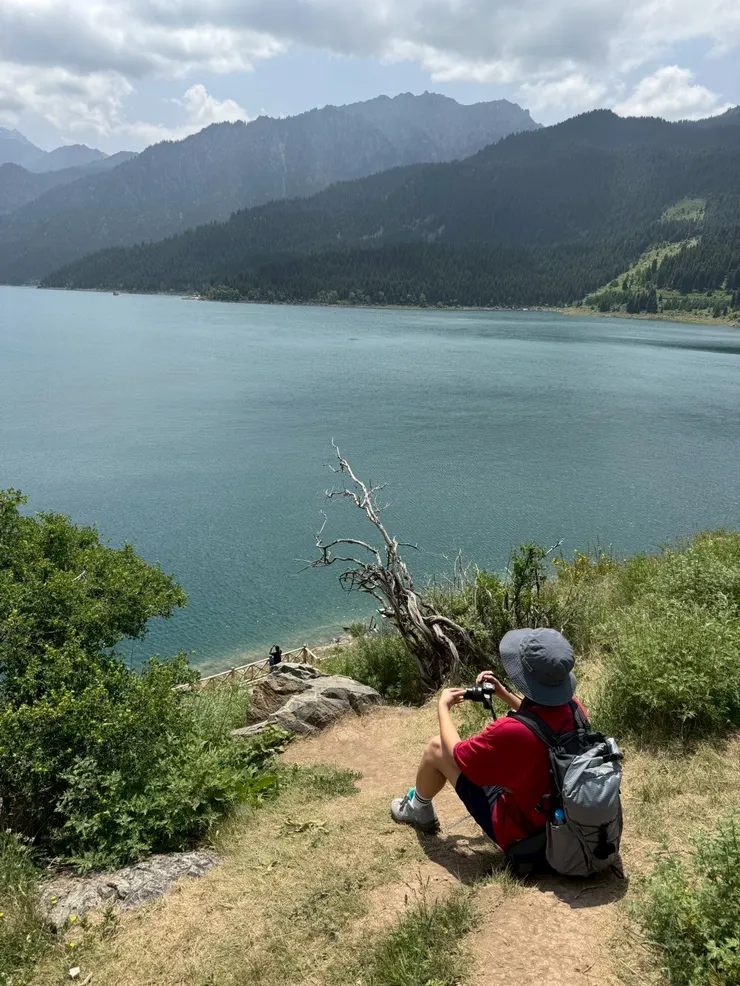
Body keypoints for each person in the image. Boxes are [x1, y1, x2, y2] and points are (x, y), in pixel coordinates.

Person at [390, 628, 586, 855]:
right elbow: (542, 723)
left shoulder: (510, 730)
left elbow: (457, 755)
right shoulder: (576, 709)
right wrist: (503, 693)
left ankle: (417, 809)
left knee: (436, 747)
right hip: (566, 822)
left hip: (526, 837)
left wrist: (443, 707)